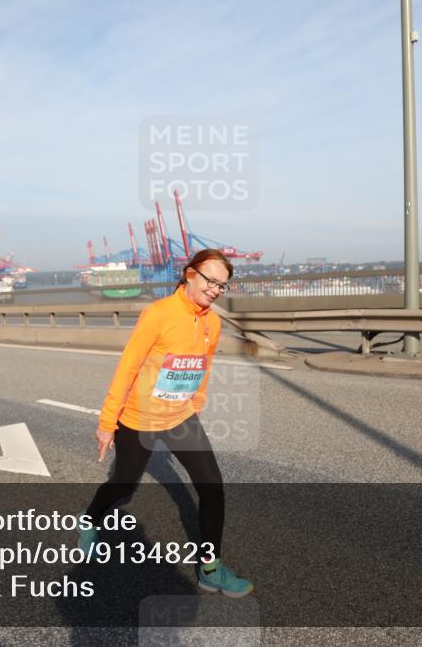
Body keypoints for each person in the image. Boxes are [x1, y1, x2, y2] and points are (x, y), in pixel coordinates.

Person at [78, 248, 253, 598]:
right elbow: (127, 366)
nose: (215, 289)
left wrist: (197, 402)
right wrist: (107, 422)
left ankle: (210, 568)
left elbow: (203, 365)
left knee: (212, 487)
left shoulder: (212, 321)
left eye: (222, 285)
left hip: (181, 417)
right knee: (124, 485)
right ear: (190, 274)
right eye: (210, 280)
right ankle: (90, 520)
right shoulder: (158, 314)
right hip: (140, 418)